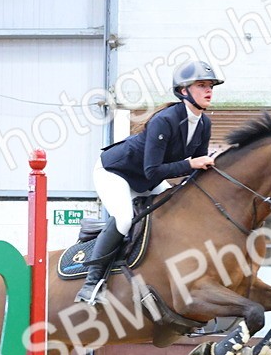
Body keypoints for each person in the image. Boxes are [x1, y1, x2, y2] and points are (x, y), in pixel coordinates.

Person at [76, 60, 223, 305]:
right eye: (201, 85)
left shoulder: (204, 123)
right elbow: (154, 171)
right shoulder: (164, 121)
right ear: (184, 91)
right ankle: (91, 284)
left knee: (174, 215)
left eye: (210, 85)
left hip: (147, 178)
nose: (209, 90)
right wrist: (192, 164)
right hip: (115, 172)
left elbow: (195, 170)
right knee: (124, 219)